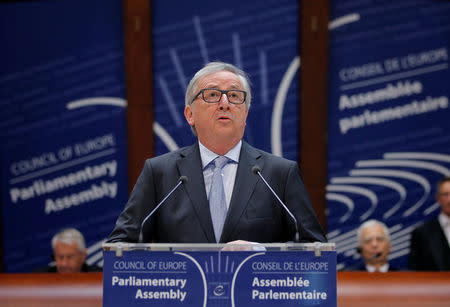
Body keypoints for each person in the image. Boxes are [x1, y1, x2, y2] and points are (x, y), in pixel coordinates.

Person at [107, 61, 326, 244]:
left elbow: (314, 246)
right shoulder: (160, 173)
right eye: (212, 94)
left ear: (245, 113)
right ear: (189, 114)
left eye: (234, 95)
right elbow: (121, 245)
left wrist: (263, 254)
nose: (224, 103)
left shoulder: (278, 174)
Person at [409, 176, 450, 271]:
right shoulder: (422, 233)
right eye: (445, 194)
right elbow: (415, 272)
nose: (449, 199)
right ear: (438, 198)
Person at [36, 228, 101, 273]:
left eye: (70, 257)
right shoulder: (40, 278)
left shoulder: (100, 276)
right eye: (60, 257)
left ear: (83, 256)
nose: (64, 264)